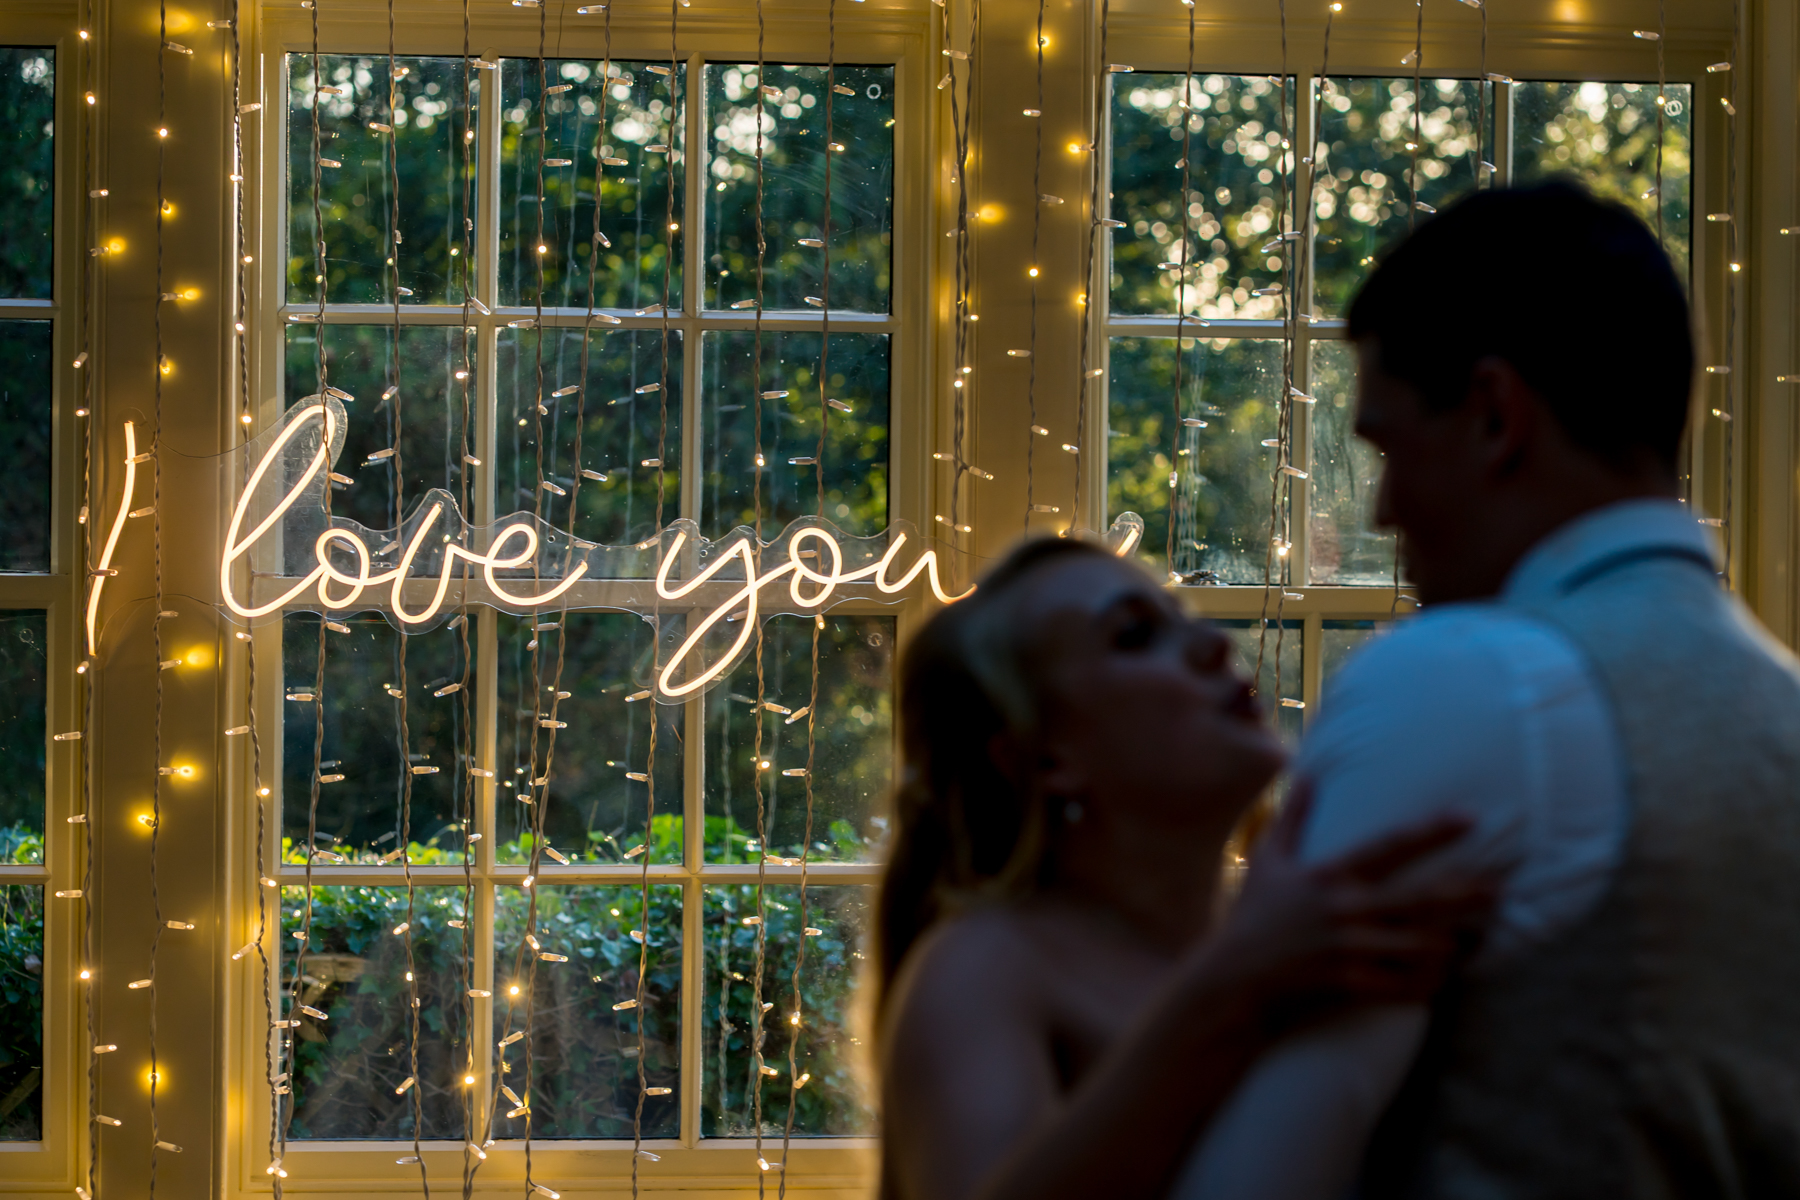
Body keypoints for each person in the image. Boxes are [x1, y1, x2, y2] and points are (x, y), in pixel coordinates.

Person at [1176, 181, 1800, 1200]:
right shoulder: (1783, 711)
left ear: (1494, 416)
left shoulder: (1468, 682)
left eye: (1385, 447)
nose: (1381, 511)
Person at [873, 537, 1496, 1200]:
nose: (1211, 643)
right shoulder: (983, 967)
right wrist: (1236, 985)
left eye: (1182, 616)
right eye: (1135, 635)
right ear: (1045, 758)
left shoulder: (1300, 932)